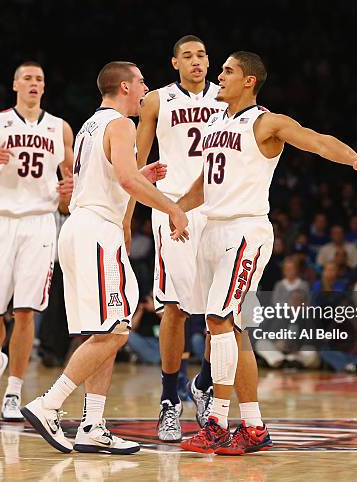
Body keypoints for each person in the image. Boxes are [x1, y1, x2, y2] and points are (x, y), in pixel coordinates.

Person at [176, 51, 357, 454]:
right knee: (228, 329)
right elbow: (205, 185)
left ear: (249, 81)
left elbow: (318, 141)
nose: (219, 76)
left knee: (219, 321)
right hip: (212, 229)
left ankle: (217, 421)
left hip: (244, 230)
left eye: (228, 71)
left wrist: (354, 159)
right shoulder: (217, 121)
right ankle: (254, 427)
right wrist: (174, 209)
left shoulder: (266, 122)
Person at [20, 61, 188, 454]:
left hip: (80, 228)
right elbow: (126, 181)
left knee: (106, 333)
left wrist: (140, 173)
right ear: (126, 87)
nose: (147, 87)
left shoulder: (89, 125)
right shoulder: (121, 123)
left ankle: (93, 424)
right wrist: (172, 208)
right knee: (115, 330)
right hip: (97, 230)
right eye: (142, 81)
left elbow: (115, 175)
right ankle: (49, 404)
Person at [0, 61, 75, 421]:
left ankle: (14, 390)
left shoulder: (60, 128)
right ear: (15, 85)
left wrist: (69, 191)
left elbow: (70, 187)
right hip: (0, 221)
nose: (34, 83)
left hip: (41, 222)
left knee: (25, 311)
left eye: (40, 79)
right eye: (28, 78)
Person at [136, 35, 226, 441]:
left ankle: (203, 384)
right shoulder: (157, 100)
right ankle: (169, 400)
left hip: (218, 210)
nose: (196, 61)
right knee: (174, 306)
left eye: (202, 55)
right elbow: (136, 164)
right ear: (174, 63)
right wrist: (129, 214)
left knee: (218, 310)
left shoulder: (228, 101)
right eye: (187, 56)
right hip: (173, 208)